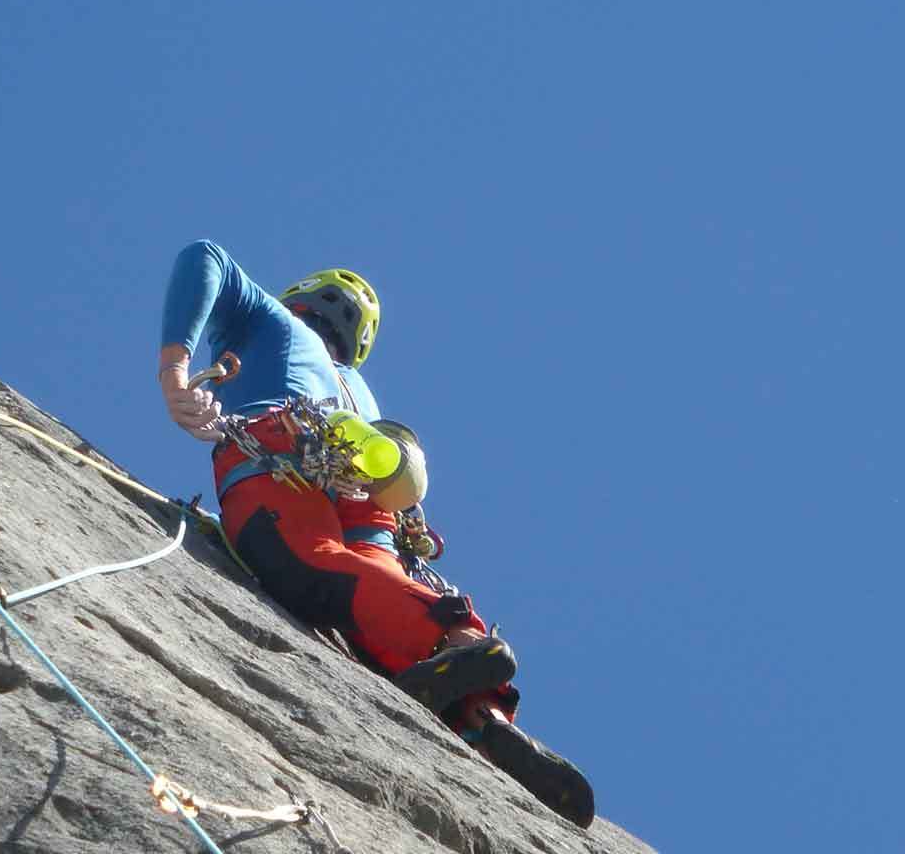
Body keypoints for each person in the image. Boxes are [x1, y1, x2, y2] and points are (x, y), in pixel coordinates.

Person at [156, 240, 593, 827]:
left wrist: (175, 367)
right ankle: (478, 703)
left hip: (283, 454)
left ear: (302, 300)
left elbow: (205, 257)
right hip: (368, 486)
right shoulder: (362, 393)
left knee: (315, 563)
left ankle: (461, 671)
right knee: (376, 580)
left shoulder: (271, 318)